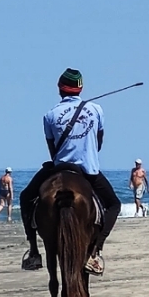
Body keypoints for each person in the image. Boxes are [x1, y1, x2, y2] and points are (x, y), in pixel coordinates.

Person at [20, 68, 122, 275]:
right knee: (113, 204)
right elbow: (98, 142)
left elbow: (52, 149)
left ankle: (33, 251)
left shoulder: (49, 116)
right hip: (89, 170)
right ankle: (95, 251)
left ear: (60, 89)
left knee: (25, 197)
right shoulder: (96, 110)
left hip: (59, 168)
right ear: (80, 88)